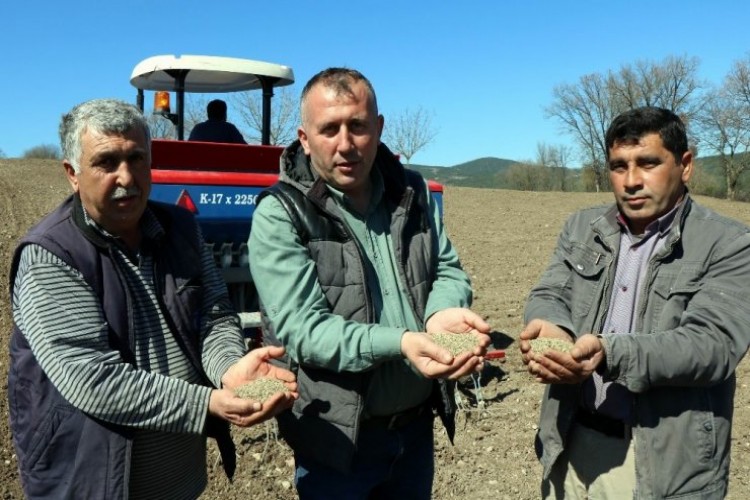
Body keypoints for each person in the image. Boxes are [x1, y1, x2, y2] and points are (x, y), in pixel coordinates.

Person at [8, 98, 298, 499]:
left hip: (178, 477)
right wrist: (209, 404)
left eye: (136, 158)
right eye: (107, 162)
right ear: (73, 174)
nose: (126, 176)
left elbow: (213, 316)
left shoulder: (180, 228)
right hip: (93, 478)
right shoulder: (51, 254)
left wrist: (230, 369)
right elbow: (93, 379)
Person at [247, 67, 491, 499]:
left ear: (378, 128)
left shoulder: (411, 192)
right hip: (338, 441)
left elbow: (448, 268)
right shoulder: (281, 213)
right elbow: (303, 331)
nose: (346, 144)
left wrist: (439, 315)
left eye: (358, 126)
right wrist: (402, 343)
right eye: (329, 129)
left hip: (415, 432)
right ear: (304, 138)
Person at [519, 106, 750, 499]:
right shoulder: (583, 228)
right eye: (618, 166)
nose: (631, 181)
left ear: (686, 164)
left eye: (647, 163)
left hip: (659, 461)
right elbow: (550, 292)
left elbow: (711, 345)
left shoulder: (729, 243)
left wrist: (610, 353)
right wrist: (550, 324)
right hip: (570, 445)